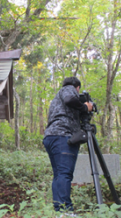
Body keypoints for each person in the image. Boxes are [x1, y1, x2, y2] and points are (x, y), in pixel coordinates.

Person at [43, 76, 92, 215]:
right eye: (78, 90)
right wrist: (85, 107)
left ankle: (59, 211)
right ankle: (66, 211)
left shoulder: (56, 100)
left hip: (51, 137)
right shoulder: (68, 89)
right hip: (62, 136)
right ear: (77, 87)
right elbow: (70, 99)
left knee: (59, 175)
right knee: (64, 174)